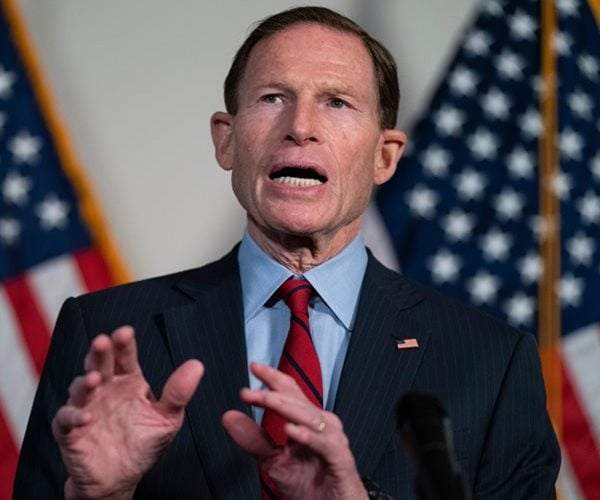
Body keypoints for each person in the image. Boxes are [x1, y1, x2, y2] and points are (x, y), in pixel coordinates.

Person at [14, 6, 560, 499]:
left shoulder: (492, 361)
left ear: (385, 157)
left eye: (337, 102)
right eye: (273, 98)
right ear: (226, 139)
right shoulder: (103, 334)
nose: (300, 128)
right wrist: (101, 496)